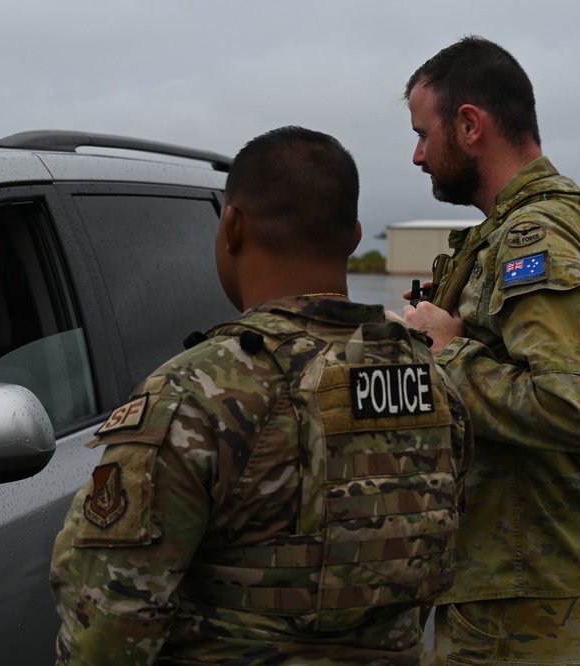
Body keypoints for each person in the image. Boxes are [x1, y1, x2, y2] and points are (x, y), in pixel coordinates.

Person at [50, 126, 472, 665]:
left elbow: (108, 632)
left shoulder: (197, 393)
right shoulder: (431, 380)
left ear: (233, 226)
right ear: (354, 235)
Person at [395, 36, 580, 665]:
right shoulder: (524, 226)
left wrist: (445, 351)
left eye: (422, 133)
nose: (416, 155)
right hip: (519, 584)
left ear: (470, 125)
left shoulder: (535, 236)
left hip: (520, 599)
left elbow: (577, 407)